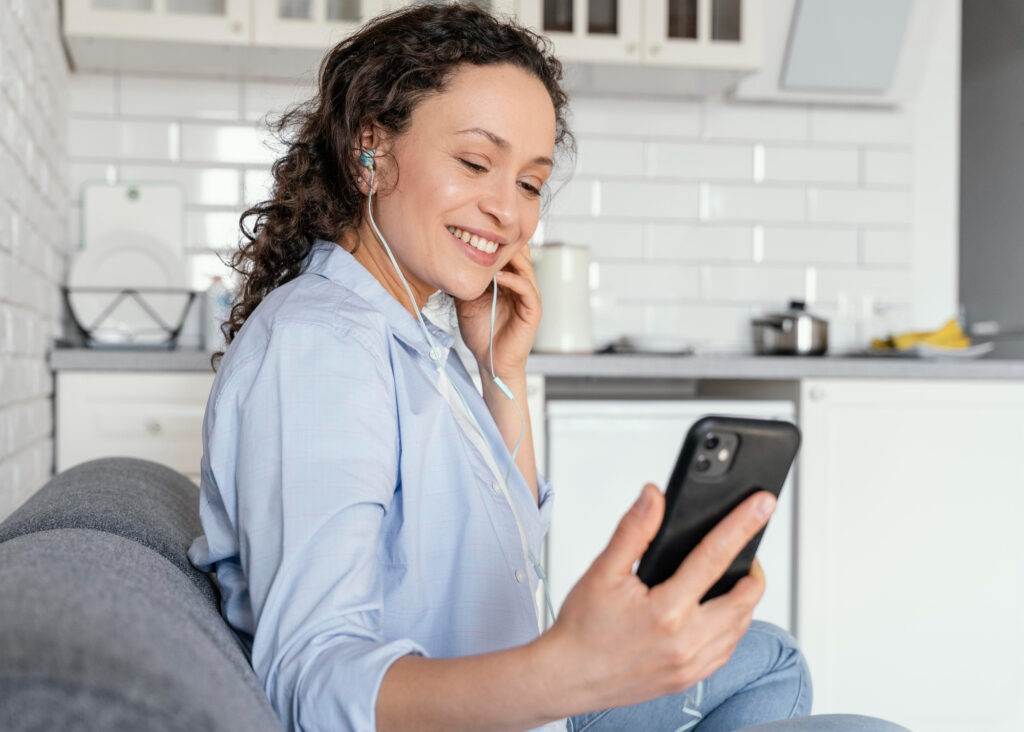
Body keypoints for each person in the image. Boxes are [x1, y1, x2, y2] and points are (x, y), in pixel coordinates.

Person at [187, 4, 907, 731]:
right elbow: (313, 685)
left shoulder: (412, 330)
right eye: (475, 163)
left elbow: (508, 572)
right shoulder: (321, 348)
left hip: (524, 702)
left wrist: (502, 372)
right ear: (369, 150)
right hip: (500, 708)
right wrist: (566, 673)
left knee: (771, 657)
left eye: (530, 184)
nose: (508, 212)